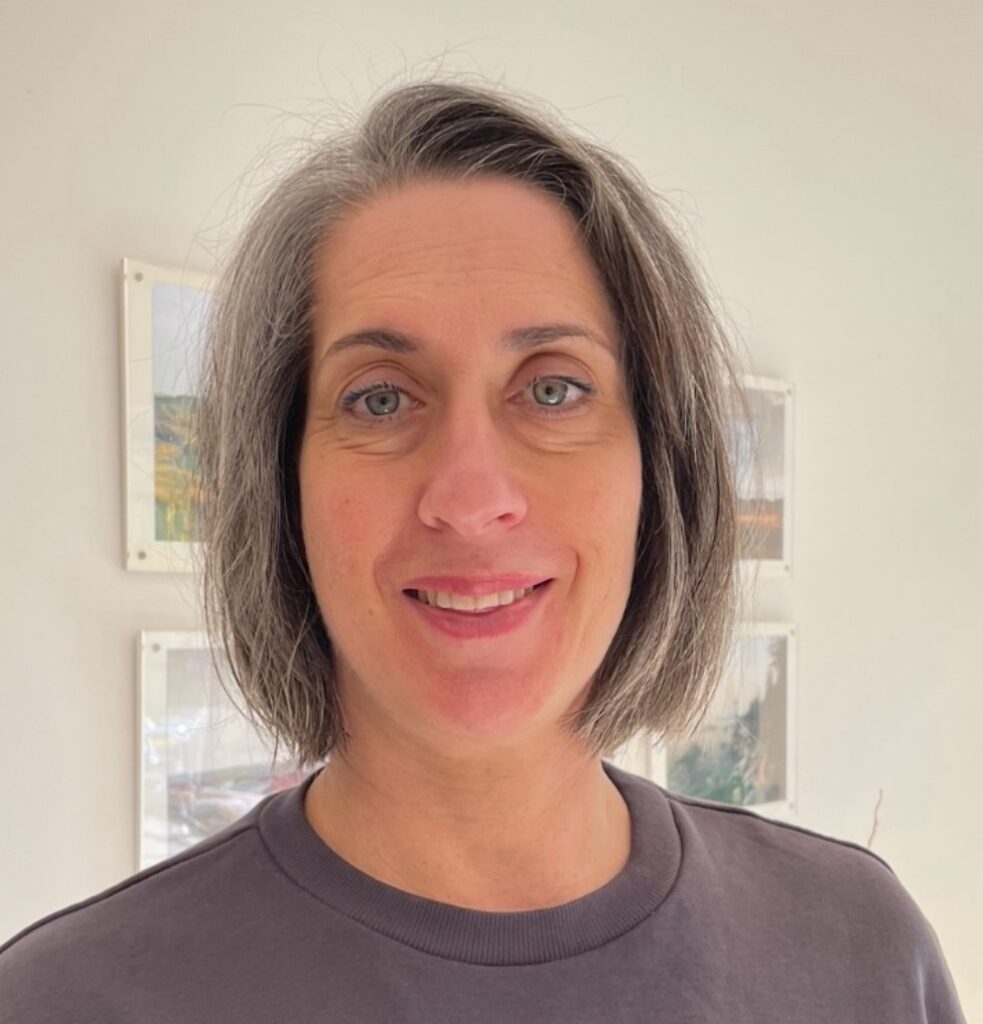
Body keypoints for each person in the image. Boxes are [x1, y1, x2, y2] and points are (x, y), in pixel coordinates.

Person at [0, 74, 966, 1023]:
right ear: (280, 484)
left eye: (552, 389)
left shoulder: (859, 950)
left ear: (657, 469)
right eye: (379, 397)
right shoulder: (68, 1001)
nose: (470, 500)